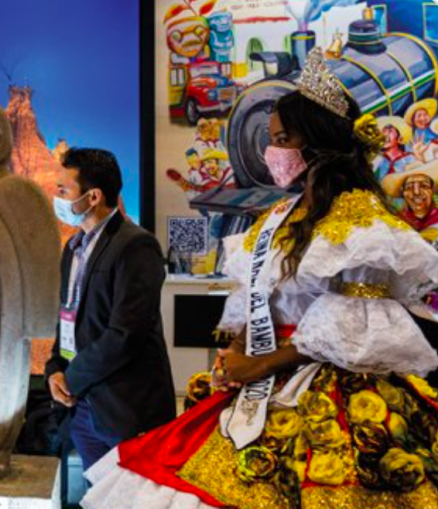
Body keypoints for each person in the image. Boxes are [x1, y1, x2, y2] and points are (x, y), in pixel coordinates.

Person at [84, 51, 438, 508]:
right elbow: (254, 300)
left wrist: (261, 364)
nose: (271, 152)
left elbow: (355, 320)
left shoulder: (359, 219)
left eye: (282, 139)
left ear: (317, 143)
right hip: (260, 382)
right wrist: (236, 353)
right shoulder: (278, 215)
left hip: (329, 391)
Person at [45, 148, 176, 473]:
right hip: (83, 406)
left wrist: (70, 378)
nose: (57, 197)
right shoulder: (73, 248)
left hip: (125, 408)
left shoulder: (136, 245)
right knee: (99, 496)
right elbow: (68, 316)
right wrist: (53, 369)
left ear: (92, 197)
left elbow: (126, 334)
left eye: (64, 190)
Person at [382, 161, 438, 242]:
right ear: (403, 193)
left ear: (432, 190)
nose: (416, 192)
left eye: (424, 186)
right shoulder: (395, 223)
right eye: (409, 187)